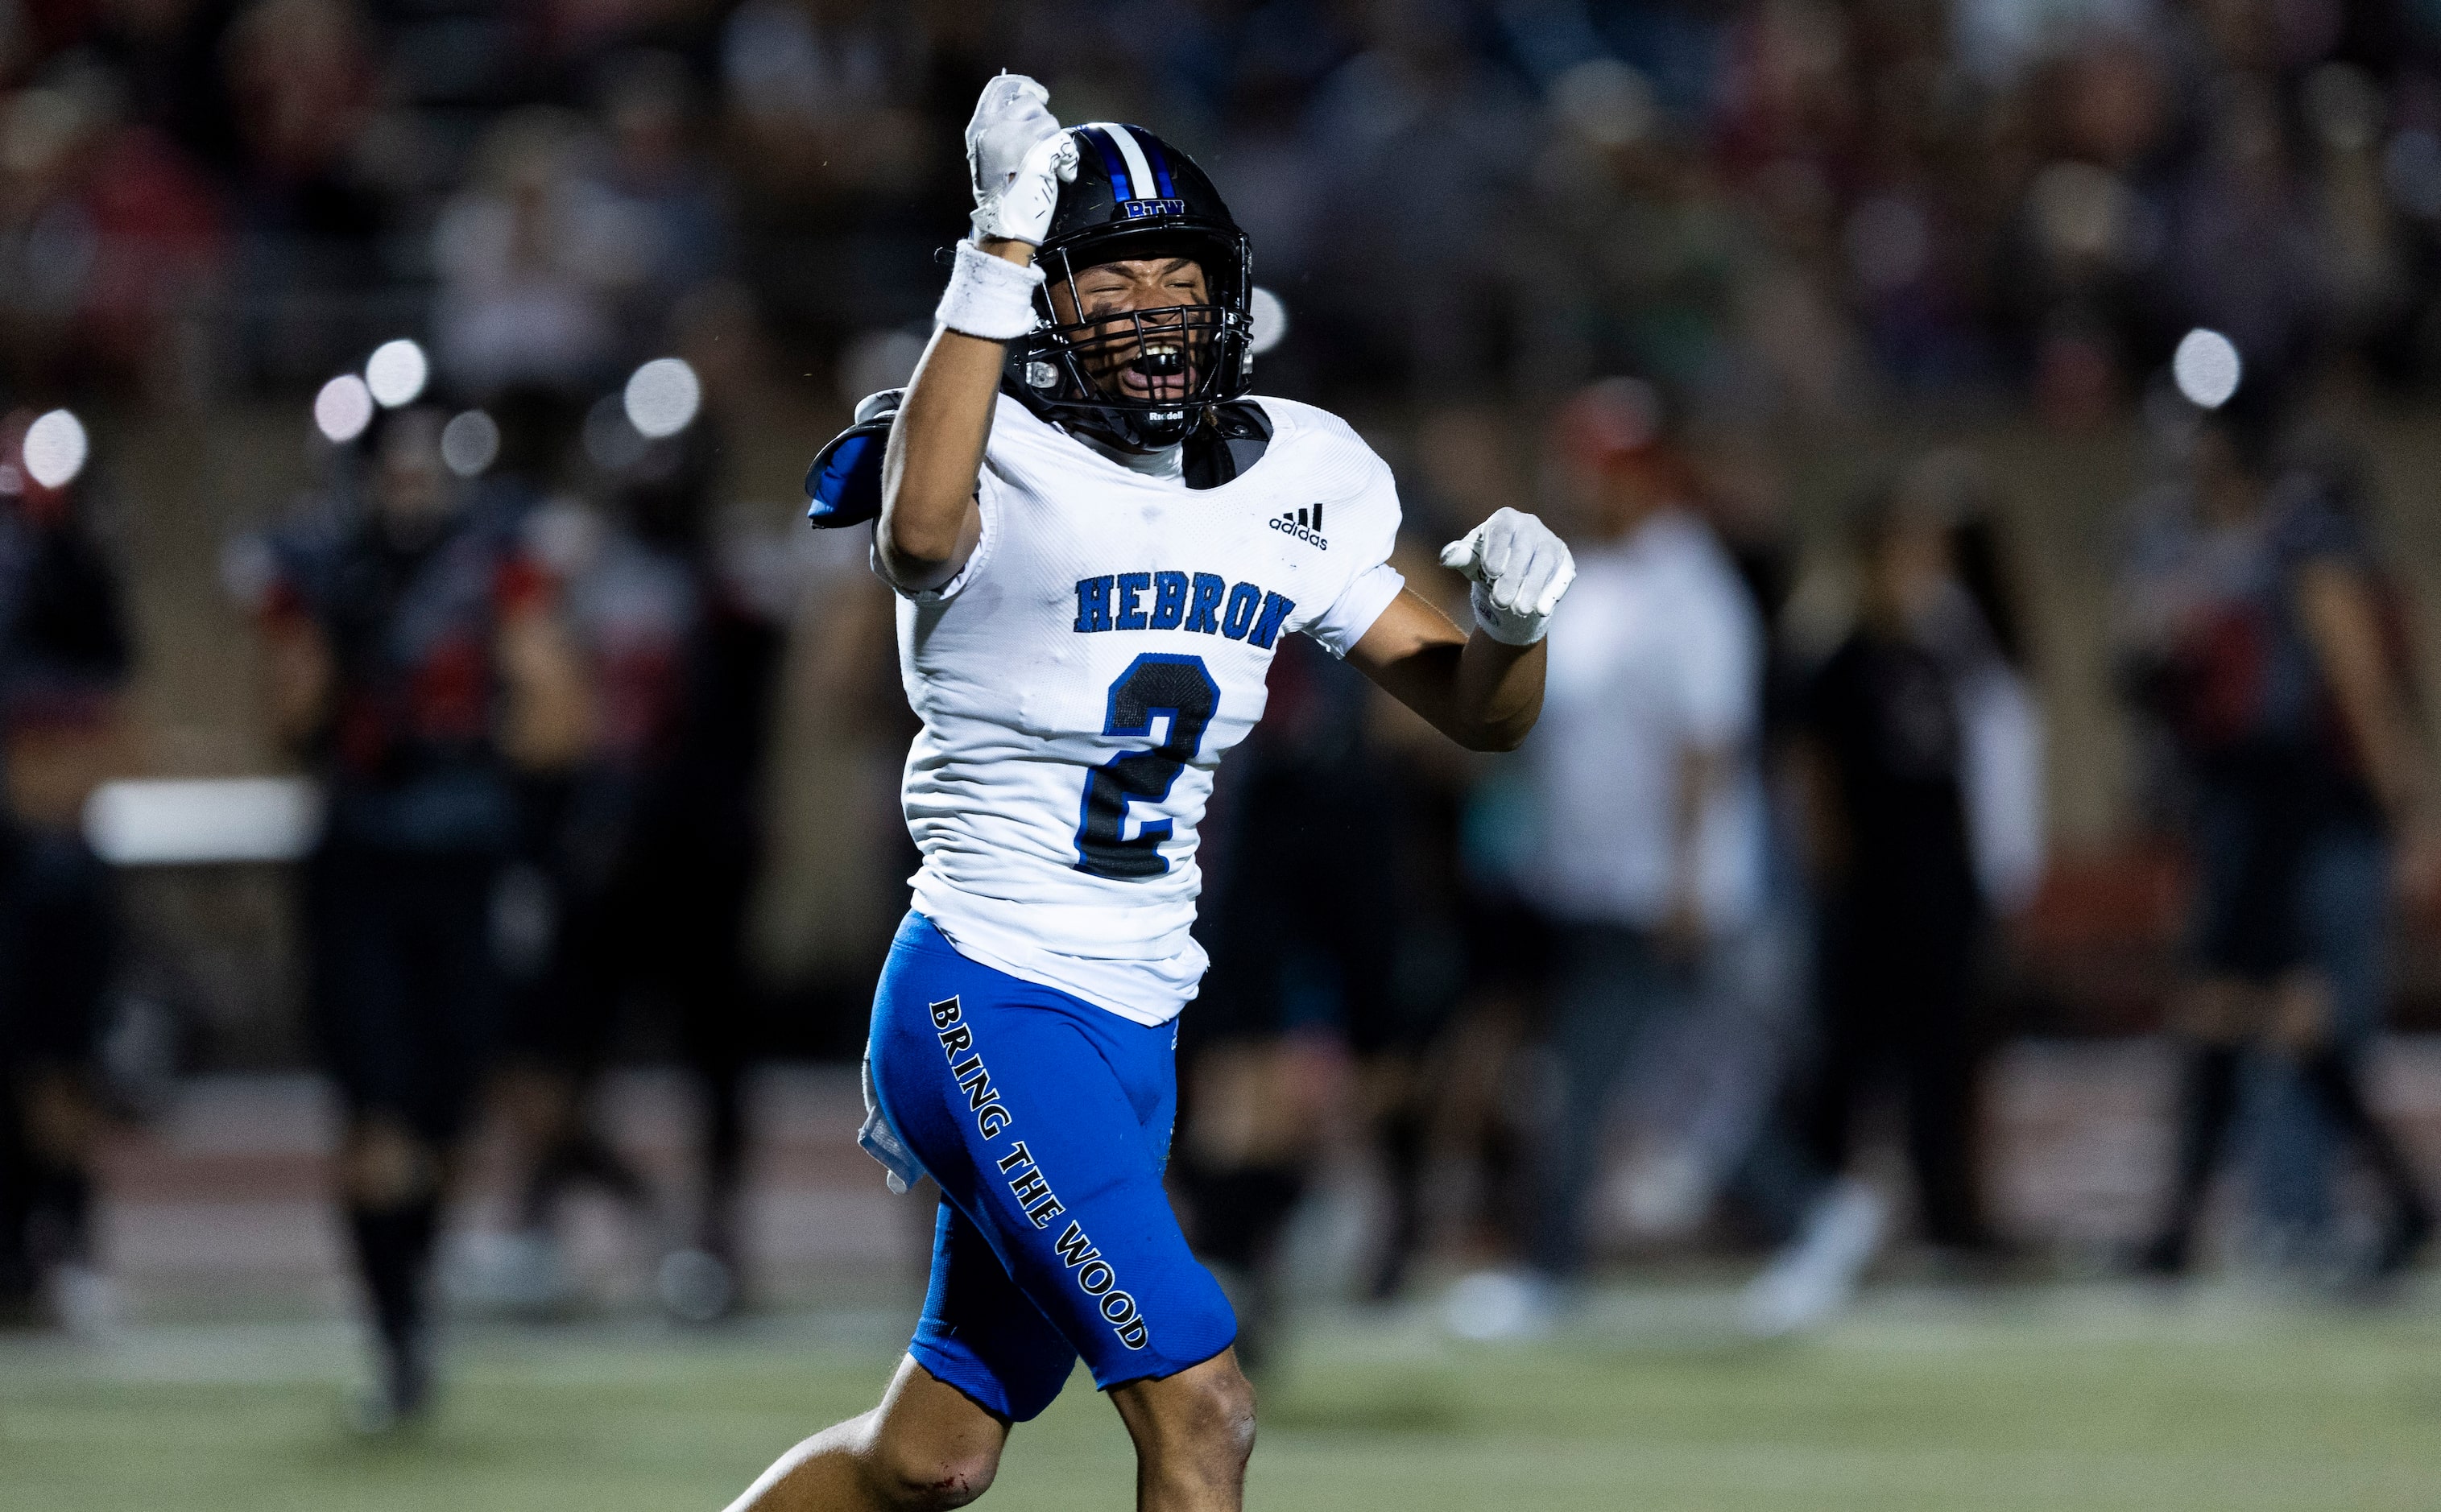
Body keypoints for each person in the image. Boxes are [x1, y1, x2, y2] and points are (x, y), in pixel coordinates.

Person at [725, 76, 1574, 1512]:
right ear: (1044, 297)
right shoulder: (979, 431)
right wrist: (995, 243)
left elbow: (1474, 715)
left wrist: (1509, 625)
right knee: (1206, 1410)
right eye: (1112, 274)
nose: (1155, 306)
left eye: (1181, 274)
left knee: (932, 1460)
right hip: (988, 988)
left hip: (1137, 1013)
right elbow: (921, 538)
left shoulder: (1296, 474)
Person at [250, 405, 589, 1427]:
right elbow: (287, 720)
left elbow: (558, 720)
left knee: (446, 1120)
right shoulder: (316, 566)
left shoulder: (493, 566)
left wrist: (478, 737)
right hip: (360, 859)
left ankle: (411, 1308)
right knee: (376, 1116)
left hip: (465, 855)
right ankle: (395, 1335)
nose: (406, 487)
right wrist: (343, 660)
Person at [1454, 378, 1765, 1328]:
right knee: (1661, 1084)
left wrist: (1685, 873)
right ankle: (1813, 1209)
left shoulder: (1688, 580)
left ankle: (1552, 1270)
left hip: (1653, 886)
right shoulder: (1604, 573)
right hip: (1586, 878)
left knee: (1591, 1077)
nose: (1585, 485)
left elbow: (1706, 743)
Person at [2118, 403, 2436, 1281]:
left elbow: (2360, 688)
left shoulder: (2303, 551)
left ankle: (2275, 1218)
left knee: (2268, 1004)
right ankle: (2211, 1227)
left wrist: (2404, 814)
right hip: (2250, 803)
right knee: (2266, 1006)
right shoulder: (2223, 556)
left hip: (2293, 808)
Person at [0, 410, 133, 1328]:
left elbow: (109, 712)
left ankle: (67, 1236)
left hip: (54, 863)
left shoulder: (82, 583)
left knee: (60, 1066)